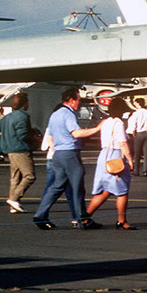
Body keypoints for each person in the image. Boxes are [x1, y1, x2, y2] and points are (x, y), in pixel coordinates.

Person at [33, 87, 101, 229]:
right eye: (78, 100)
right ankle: (82, 219)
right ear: (71, 101)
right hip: (70, 153)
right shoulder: (68, 114)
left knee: (56, 187)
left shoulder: (55, 115)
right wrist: (97, 128)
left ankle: (40, 214)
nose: (79, 103)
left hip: (58, 154)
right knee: (77, 188)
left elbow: (50, 136)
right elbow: (76, 133)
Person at [83, 97, 136, 229]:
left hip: (104, 156)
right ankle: (122, 220)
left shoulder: (105, 122)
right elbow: (122, 143)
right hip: (115, 156)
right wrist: (130, 159)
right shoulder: (118, 123)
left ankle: (84, 217)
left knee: (105, 191)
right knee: (122, 190)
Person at [0, 91, 39, 212]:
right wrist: (34, 138)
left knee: (15, 177)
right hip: (21, 149)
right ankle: (14, 198)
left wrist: (4, 140)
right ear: (24, 104)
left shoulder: (6, 117)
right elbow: (22, 134)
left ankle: (14, 204)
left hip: (9, 149)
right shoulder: (22, 116)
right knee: (30, 176)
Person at [126, 98, 147, 177]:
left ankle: (136, 170)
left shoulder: (136, 113)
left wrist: (133, 132)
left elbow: (133, 124)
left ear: (138, 103)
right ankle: (145, 171)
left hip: (139, 133)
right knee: (146, 153)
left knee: (137, 153)